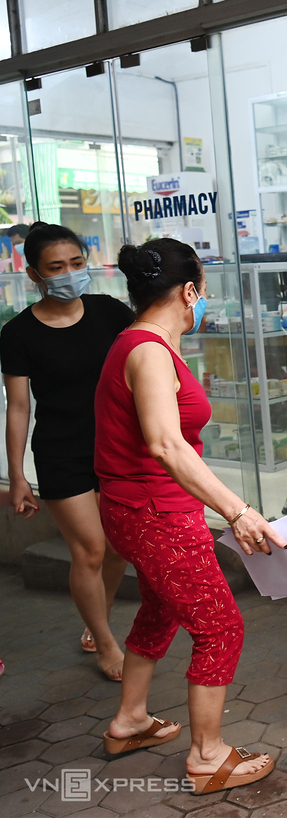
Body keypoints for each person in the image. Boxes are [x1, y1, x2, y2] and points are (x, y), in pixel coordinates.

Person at [95, 238, 282, 794]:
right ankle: (207, 757)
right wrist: (237, 510)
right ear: (189, 291)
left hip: (141, 509)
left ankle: (129, 721)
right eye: (204, 287)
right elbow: (165, 445)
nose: (206, 300)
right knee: (220, 625)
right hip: (155, 513)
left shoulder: (142, 343)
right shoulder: (148, 350)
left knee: (159, 608)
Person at [0, 222, 134, 681]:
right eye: (56, 267)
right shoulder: (18, 333)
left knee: (117, 548)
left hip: (115, 448)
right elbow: (18, 407)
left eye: (76, 263)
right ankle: (107, 644)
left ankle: (95, 623)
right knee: (90, 550)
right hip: (61, 453)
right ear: (35, 274)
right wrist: (17, 475)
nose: (69, 273)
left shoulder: (110, 312)